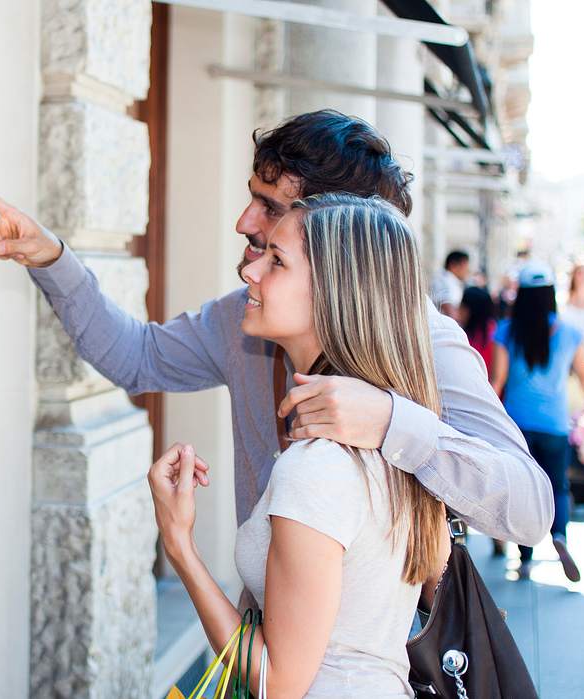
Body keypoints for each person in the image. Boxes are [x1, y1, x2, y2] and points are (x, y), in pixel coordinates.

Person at [0, 109, 553, 559]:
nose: (244, 223)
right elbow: (134, 358)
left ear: (336, 232)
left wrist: (393, 423)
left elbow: (530, 510)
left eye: (269, 207)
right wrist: (51, 259)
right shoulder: (241, 318)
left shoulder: (423, 339)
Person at [148, 194, 446, 697]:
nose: (251, 271)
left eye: (277, 261)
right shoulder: (390, 437)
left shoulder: (320, 465)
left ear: (334, 294)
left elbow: (275, 680)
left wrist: (179, 545)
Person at [491, 262, 584, 583]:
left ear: (520, 296)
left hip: (517, 425)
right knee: (557, 486)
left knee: (524, 490)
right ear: (551, 295)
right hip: (554, 424)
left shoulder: (506, 331)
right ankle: (560, 535)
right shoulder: (569, 333)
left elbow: (497, 380)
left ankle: (524, 558)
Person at [458, 286, 497, 380]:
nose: (458, 310)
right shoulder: (496, 330)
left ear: (470, 310)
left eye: (462, 306)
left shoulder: (464, 336)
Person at [431, 250, 470, 319]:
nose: (467, 270)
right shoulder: (444, 281)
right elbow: (447, 306)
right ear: (453, 265)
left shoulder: (451, 281)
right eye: (465, 266)